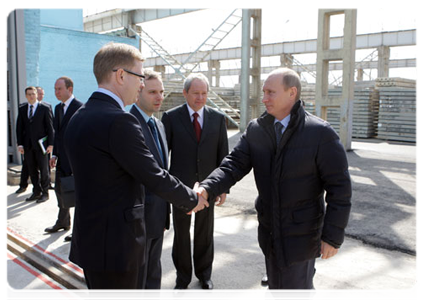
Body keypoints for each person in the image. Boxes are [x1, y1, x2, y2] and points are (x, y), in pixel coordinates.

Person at [64, 42, 209, 300]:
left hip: (92, 242)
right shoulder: (119, 120)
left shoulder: (79, 116)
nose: (141, 84)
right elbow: (153, 175)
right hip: (118, 247)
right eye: (140, 77)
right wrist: (193, 198)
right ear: (121, 75)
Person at [196, 68, 352, 300]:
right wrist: (207, 188)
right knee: (278, 291)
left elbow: (340, 190)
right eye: (264, 92)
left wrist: (331, 237)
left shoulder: (320, 134)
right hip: (269, 232)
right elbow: (233, 165)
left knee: (295, 293)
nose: (264, 98)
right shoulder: (258, 130)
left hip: (301, 237)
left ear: (292, 93)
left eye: (271, 92)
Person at [161, 73, 229, 298]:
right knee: (181, 234)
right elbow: (164, 155)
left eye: (204, 93)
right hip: (180, 188)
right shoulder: (170, 118)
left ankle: (204, 274)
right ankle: (182, 279)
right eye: (196, 93)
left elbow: (224, 157)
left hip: (208, 188)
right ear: (185, 93)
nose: (200, 98)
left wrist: (222, 188)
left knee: (205, 232)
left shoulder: (218, 118)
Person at [130, 69, 168, 300]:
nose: (159, 97)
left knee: (153, 273)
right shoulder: (127, 123)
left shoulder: (159, 125)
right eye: (153, 91)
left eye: (162, 92)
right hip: (137, 219)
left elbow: (163, 171)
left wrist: (165, 215)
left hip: (157, 216)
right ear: (139, 92)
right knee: (137, 279)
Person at [44, 77, 83, 243]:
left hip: (76, 162)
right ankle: (63, 221)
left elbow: (83, 136)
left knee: (79, 197)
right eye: (55, 89)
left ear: (70, 89)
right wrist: (54, 155)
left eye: (59, 89)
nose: (56, 92)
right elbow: (57, 134)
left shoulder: (80, 108)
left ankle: (79, 231)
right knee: (60, 192)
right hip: (61, 160)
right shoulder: (58, 108)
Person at [16, 86, 54, 203]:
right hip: (27, 146)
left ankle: (45, 193)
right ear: (26, 96)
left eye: (33, 94)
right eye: (29, 94)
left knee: (44, 170)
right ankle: (36, 192)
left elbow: (50, 128)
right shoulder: (22, 109)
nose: (31, 96)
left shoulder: (45, 108)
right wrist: (20, 144)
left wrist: (51, 144)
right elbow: (19, 128)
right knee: (32, 170)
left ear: (37, 95)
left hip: (41, 145)